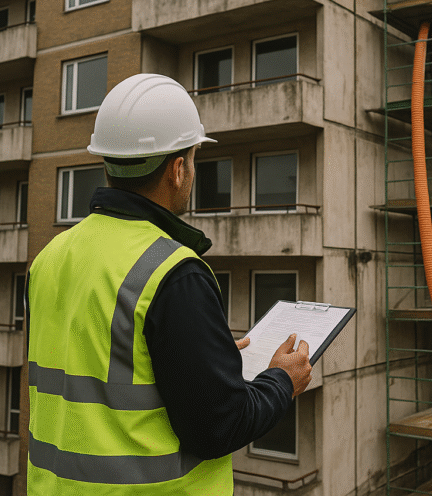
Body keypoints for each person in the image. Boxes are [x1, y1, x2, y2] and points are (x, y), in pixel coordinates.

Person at [26, 73, 312, 495]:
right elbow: (219, 426)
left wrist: (200, 360)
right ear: (178, 170)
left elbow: (95, 367)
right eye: (193, 158)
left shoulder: (49, 258)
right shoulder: (175, 272)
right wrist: (282, 381)